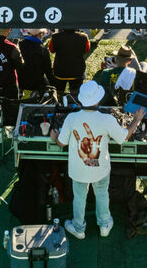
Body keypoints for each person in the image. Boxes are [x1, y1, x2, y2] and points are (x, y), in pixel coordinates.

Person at [52, 80, 141, 239]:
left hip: (78, 170)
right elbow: (124, 137)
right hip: (100, 169)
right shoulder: (107, 120)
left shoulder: (71, 118)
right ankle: (104, 225)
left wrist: (54, 136)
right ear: (98, 100)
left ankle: (78, 227)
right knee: (102, 193)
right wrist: (136, 119)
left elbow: (61, 143)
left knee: (79, 197)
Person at [49, 28, 91, 97]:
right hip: (77, 72)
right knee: (76, 96)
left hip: (60, 71)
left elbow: (51, 50)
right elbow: (86, 50)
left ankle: (59, 104)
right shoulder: (84, 37)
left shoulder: (55, 37)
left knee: (58, 94)